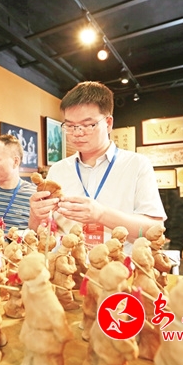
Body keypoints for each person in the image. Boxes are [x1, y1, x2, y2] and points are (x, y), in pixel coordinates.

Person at [28, 81, 166, 252]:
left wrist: (100, 214)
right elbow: (40, 232)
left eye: (88, 125)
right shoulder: (58, 170)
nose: (77, 133)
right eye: (70, 126)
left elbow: (155, 230)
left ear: (108, 123)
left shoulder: (136, 165)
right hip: (66, 264)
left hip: (118, 264)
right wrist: (35, 215)